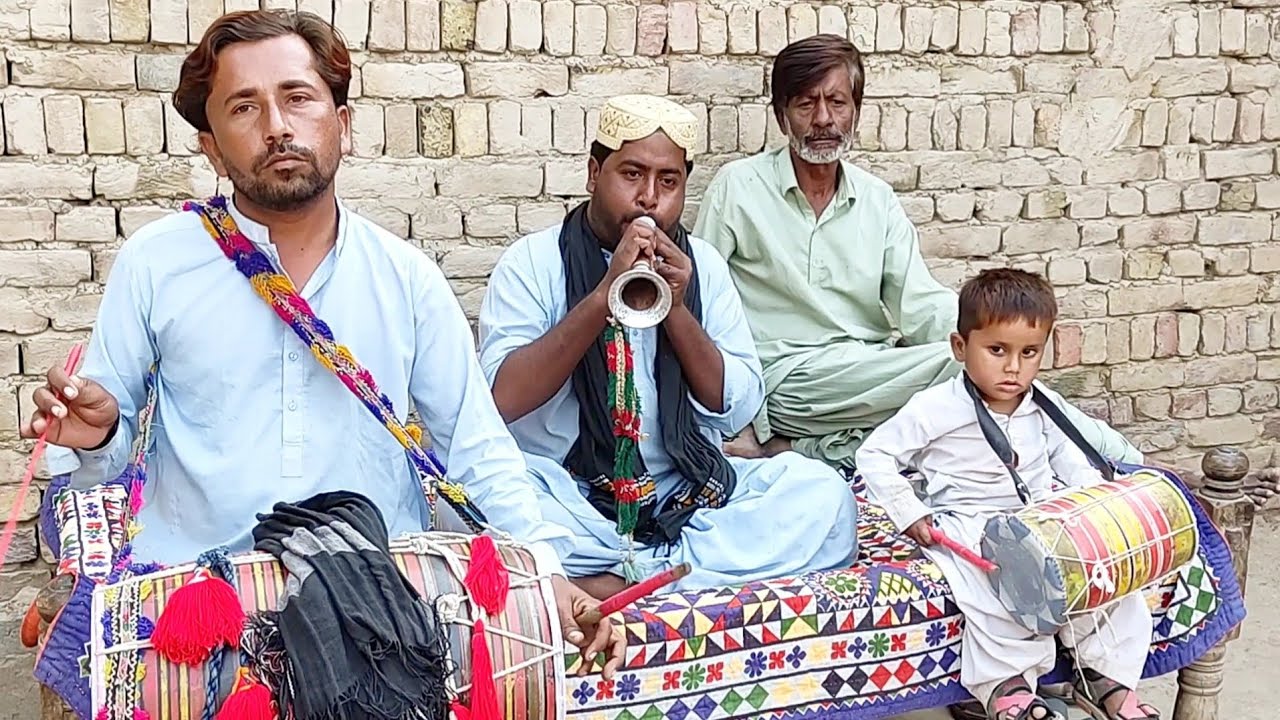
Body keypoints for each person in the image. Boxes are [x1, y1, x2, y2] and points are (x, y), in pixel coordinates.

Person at [19, 8, 623, 676]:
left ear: (344, 123)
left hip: (373, 613)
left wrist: (547, 574)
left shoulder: (407, 279)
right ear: (212, 148)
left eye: (298, 98)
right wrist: (97, 435)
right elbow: (97, 452)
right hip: (198, 619)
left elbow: (477, 453)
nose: (277, 126)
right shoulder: (155, 264)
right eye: (243, 107)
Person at [694, 34, 1142, 471]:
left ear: (856, 112)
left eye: (837, 102)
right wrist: (741, 415)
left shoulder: (876, 198)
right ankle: (1115, 454)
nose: (824, 118)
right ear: (782, 116)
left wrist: (981, 335)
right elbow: (702, 305)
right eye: (806, 104)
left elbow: (920, 302)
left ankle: (797, 450)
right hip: (787, 378)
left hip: (872, 372)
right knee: (967, 371)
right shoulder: (739, 188)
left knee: (964, 399)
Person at [477, 94, 858, 599]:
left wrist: (677, 309)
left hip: (686, 494)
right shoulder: (532, 262)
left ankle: (621, 579)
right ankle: (665, 576)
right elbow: (500, 401)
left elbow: (738, 405)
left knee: (826, 499)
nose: (649, 198)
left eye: (668, 181)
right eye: (631, 174)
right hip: (572, 498)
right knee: (481, 503)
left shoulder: (701, 265)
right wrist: (600, 299)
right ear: (594, 173)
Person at [856, 269, 1157, 720]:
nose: (1014, 368)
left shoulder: (1044, 404)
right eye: (997, 351)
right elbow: (874, 454)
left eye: (1029, 353)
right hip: (969, 525)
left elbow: (1071, 460)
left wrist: (1093, 509)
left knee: (1109, 587)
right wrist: (909, 511)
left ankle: (1107, 679)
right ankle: (1007, 689)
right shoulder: (935, 407)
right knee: (989, 592)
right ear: (961, 348)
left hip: (1040, 521)